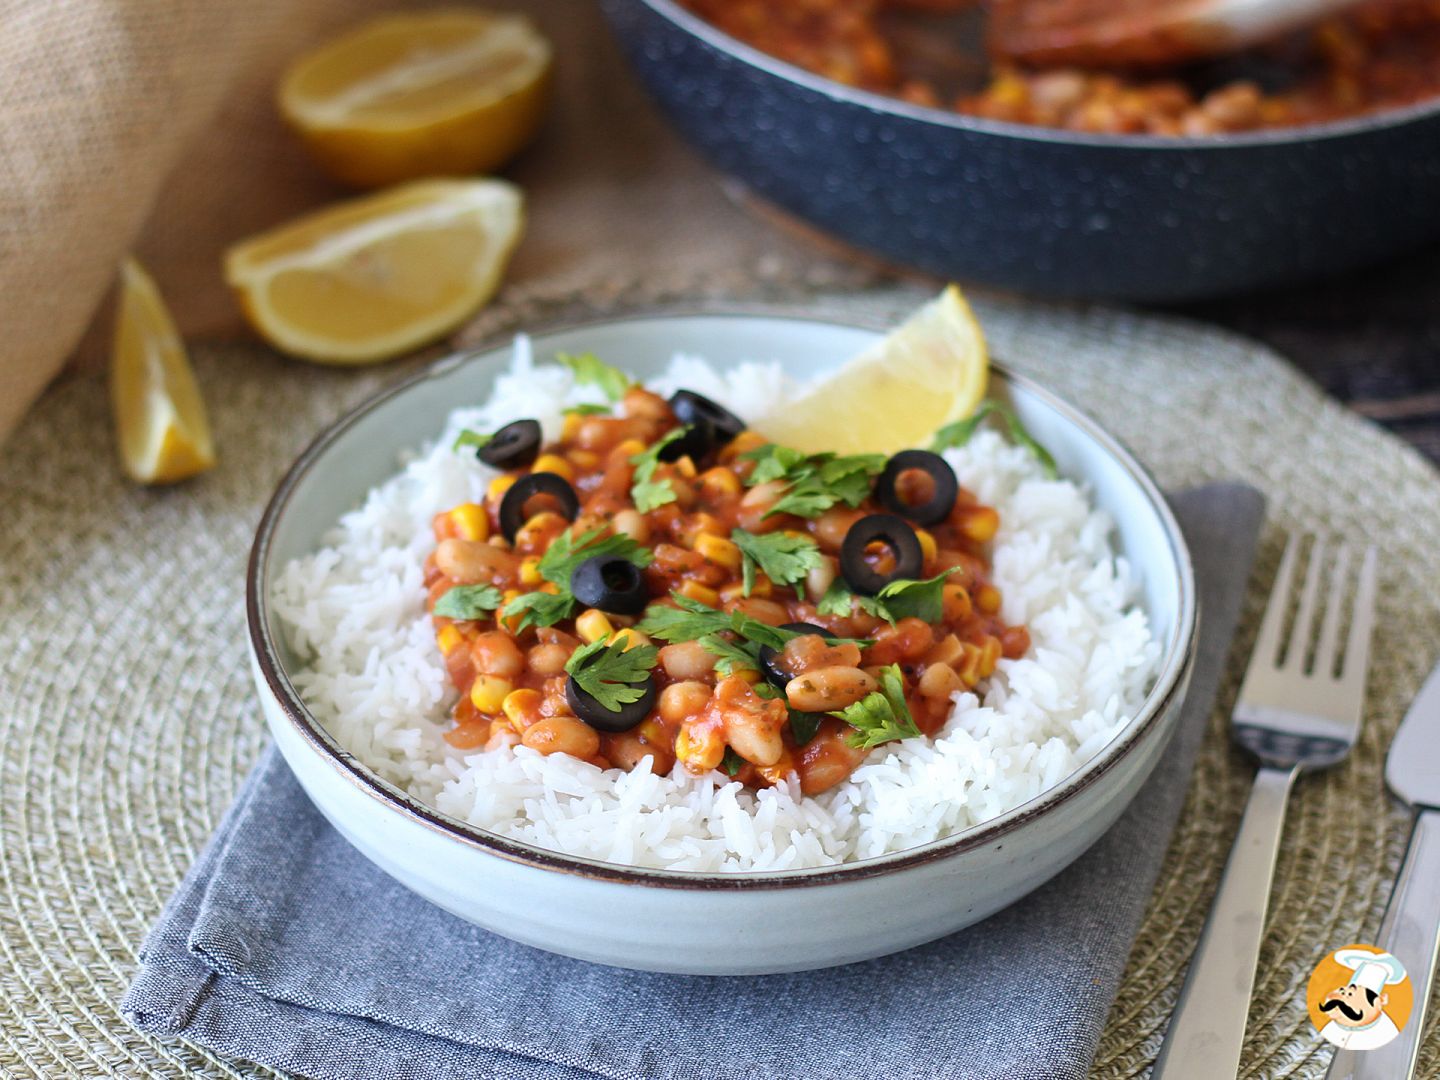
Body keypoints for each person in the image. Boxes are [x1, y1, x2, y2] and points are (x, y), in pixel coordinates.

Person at [1317, 948, 1408, 1051]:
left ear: (1381, 1001)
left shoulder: (1385, 1033)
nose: (1343, 999)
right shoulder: (1331, 1028)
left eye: (1352, 995)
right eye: (1344, 991)